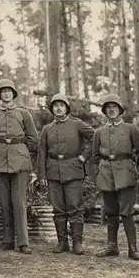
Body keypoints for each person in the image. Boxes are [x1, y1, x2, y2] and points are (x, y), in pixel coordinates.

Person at [0, 79, 39, 254]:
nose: (6, 94)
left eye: (9, 91)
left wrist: (21, 151)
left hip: (20, 162)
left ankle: (23, 242)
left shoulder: (24, 113)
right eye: (3, 91)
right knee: (5, 203)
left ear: (13, 94)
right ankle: (7, 240)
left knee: (19, 202)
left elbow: (33, 139)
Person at [37, 93, 94, 255]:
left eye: (62, 105)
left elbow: (95, 137)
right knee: (58, 209)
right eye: (55, 105)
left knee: (74, 207)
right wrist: (42, 175)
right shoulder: (47, 129)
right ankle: (62, 242)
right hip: (53, 171)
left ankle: (77, 242)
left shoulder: (77, 124)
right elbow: (42, 152)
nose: (58, 108)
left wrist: (83, 157)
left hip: (73, 170)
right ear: (52, 109)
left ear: (67, 108)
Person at [93, 93, 139, 261]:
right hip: (106, 173)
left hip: (125, 173)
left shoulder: (131, 129)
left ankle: (132, 248)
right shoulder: (99, 132)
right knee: (110, 211)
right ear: (104, 111)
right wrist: (98, 173)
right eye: (108, 107)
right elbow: (95, 156)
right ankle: (112, 247)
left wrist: (137, 171)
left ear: (120, 110)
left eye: (114, 107)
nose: (112, 110)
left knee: (127, 211)